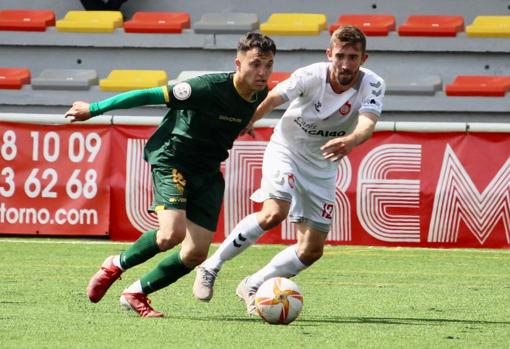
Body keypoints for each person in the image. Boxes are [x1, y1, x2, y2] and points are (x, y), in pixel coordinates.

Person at [64, 32, 276, 317]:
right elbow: (150, 94)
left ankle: (136, 292)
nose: (262, 72)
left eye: (268, 65)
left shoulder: (259, 92)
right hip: (173, 158)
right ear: (238, 63)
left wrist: (246, 122)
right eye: (255, 64)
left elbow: (241, 111)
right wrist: (94, 109)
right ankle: (116, 263)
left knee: (196, 253)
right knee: (170, 234)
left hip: (209, 170)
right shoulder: (206, 87)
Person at [193, 25, 385, 314]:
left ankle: (253, 284)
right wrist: (248, 120)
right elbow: (273, 98)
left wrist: (351, 140)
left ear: (364, 59)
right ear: (329, 54)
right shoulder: (311, 75)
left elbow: (368, 122)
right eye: (340, 56)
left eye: (353, 57)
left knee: (311, 250)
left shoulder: (373, 84)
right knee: (274, 212)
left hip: (322, 166)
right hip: (287, 150)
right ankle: (211, 265)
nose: (346, 64)